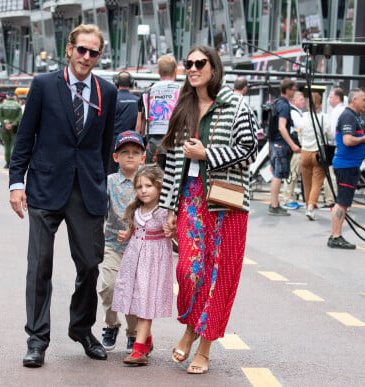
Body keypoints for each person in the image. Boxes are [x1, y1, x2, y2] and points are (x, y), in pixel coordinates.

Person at [9, 24, 117, 367]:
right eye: (81, 50)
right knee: (39, 266)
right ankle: (37, 339)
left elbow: (104, 146)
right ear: (69, 49)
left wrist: (105, 185)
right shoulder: (43, 85)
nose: (86, 57)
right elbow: (25, 136)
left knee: (90, 262)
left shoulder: (107, 92)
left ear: (99, 56)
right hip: (44, 186)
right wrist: (16, 183)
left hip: (87, 190)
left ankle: (82, 328)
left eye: (93, 52)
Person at [160, 45, 258, 374]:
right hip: (189, 196)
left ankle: (203, 344)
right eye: (188, 63)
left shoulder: (235, 104)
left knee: (219, 276)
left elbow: (250, 149)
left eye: (199, 63)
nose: (192, 68)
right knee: (188, 271)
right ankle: (190, 326)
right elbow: (173, 162)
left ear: (214, 69)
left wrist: (209, 154)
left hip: (226, 200)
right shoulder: (183, 105)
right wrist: (169, 207)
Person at [112, 164, 173, 366]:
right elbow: (133, 227)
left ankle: (138, 351)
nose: (143, 190)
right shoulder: (136, 209)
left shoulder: (165, 211)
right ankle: (146, 339)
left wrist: (171, 231)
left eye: (148, 185)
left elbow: (177, 233)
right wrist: (126, 234)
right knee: (132, 301)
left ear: (159, 187)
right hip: (134, 260)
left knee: (145, 302)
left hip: (154, 262)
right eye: (139, 186)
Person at [99, 131, 145, 353]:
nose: (130, 156)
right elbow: (100, 211)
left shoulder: (148, 184)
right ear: (115, 157)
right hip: (112, 246)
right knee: (109, 285)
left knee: (134, 291)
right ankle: (111, 324)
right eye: (124, 152)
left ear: (143, 158)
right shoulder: (108, 182)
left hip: (139, 249)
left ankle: (133, 333)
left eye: (135, 152)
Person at [328, 89, 365, 249]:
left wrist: (364, 137)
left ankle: (336, 235)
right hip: (346, 165)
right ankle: (336, 236)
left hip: (350, 165)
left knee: (344, 202)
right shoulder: (348, 116)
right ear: (354, 100)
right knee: (342, 202)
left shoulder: (355, 117)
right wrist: (364, 138)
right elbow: (348, 140)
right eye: (364, 99)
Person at [138, 55, 180, 168]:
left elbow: (141, 123)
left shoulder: (149, 91)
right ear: (175, 71)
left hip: (153, 143)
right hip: (176, 142)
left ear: (159, 71)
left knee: (152, 180)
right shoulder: (181, 90)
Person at [299, 92, 333, 220]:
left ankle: (308, 204)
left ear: (308, 104)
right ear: (320, 104)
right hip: (318, 153)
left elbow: (299, 133)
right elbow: (330, 135)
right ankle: (311, 207)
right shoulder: (323, 118)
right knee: (317, 183)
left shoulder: (304, 117)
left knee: (306, 182)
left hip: (305, 152)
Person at [268, 78, 299, 216]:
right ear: (288, 90)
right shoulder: (285, 106)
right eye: (293, 89)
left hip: (274, 142)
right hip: (281, 143)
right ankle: (274, 205)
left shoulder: (276, 102)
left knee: (276, 173)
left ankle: (274, 204)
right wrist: (292, 145)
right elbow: (282, 126)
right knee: (278, 174)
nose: (294, 92)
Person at [108, 71, 140, 174]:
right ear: (131, 83)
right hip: (133, 140)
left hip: (114, 141)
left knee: (111, 173)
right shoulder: (138, 100)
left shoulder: (112, 99)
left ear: (116, 83)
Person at [282, 91, 305, 210]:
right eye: (301, 99)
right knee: (293, 173)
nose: (304, 101)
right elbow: (300, 126)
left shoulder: (298, 112)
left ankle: (291, 198)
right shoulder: (294, 112)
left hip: (296, 147)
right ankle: (288, 198)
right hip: (295, 147)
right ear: (294, 100)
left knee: (294, 173)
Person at [323, 87, 345, 208]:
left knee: (331, 174)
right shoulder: (345, 110)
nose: (329, 100)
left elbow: (331, 131)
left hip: (334, 146)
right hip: (342, 148)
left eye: (330, 97)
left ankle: (331, 199)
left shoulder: (336, 112)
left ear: (337, 98)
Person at [0, 93, 22, 169]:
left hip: (5, 128)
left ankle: (7, 162)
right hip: (14, 128)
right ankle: (12, 162)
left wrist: (6, 123)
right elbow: (20, 118)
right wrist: (12, 124)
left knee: (6, 146)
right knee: (14, 145)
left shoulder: (2, 105)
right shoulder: (18, 105)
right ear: (14, 97)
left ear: (7, 97)